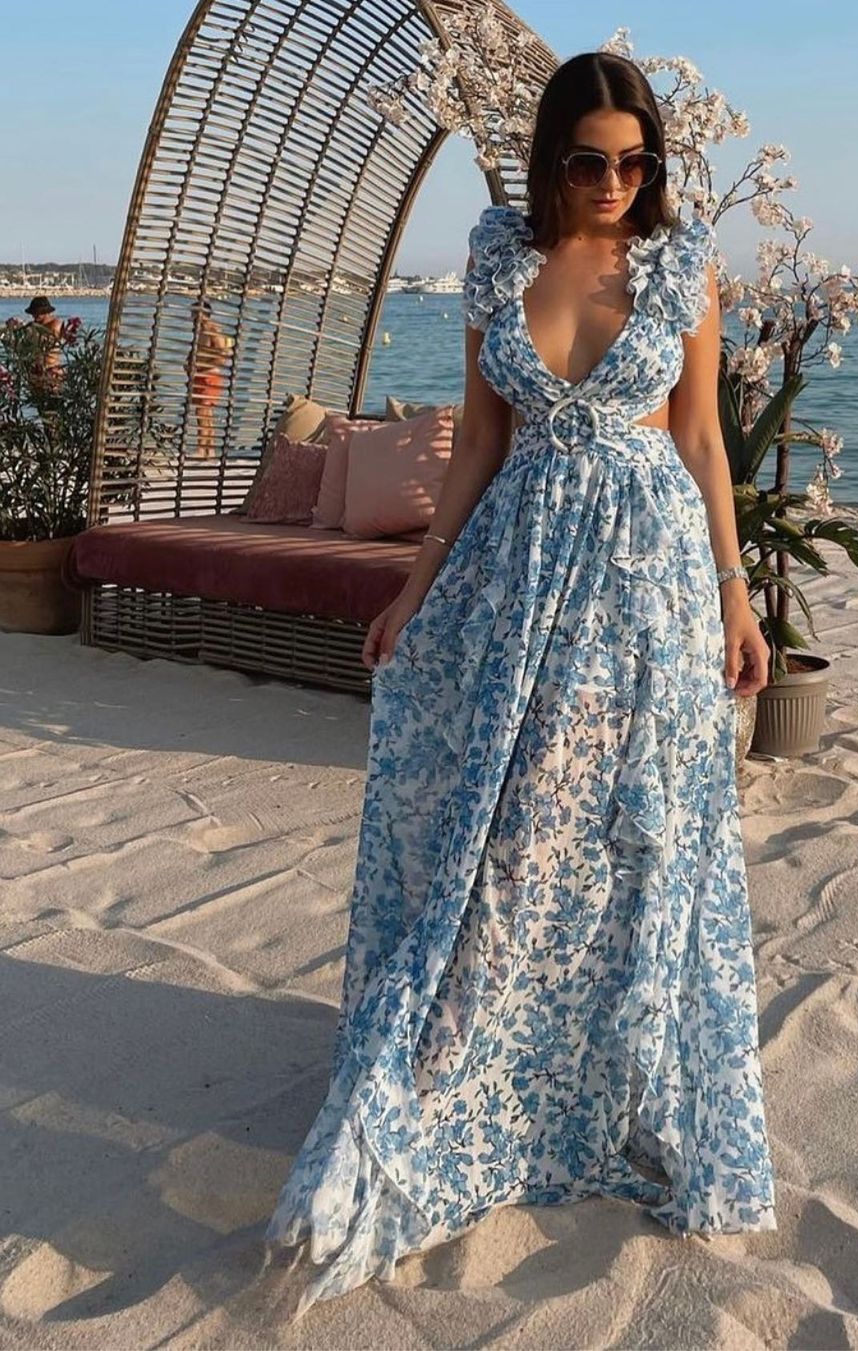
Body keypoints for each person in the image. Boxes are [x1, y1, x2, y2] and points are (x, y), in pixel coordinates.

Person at [265, 51, 778, 1312]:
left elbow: (703, 439)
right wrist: (412, 586)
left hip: (649, 587)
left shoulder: (680, 262)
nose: (615, 182)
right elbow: (484, 439)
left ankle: (609, 1082)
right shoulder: (500, 258)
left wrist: (736, 593)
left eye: (635, 160)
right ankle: (482, 1078)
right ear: (551, 159)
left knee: (638, 841)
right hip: (517, 579)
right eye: (590, 159)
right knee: (513, 838)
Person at [185, 299, 232, 457]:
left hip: (210, 374)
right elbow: (197, 351)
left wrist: (204, 366)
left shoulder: (212, 329)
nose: (192, 316)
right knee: (204, 413)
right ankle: (208, 450)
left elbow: (223, 353)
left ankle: (203, 450)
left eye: (194, 313)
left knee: (203, 410)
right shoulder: (199, 331)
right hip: (200, 374)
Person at [24, 295, 64, 394]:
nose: (34, 316)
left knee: (53, 403)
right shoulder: (33, 325)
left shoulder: (55, 324)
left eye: (37, 313)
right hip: (36, 372)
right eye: (33, 313)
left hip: (51, 371)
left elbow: (49, 341)